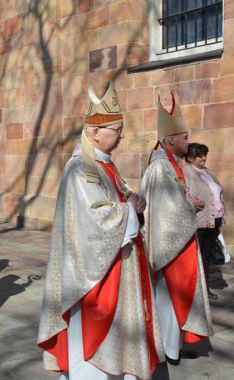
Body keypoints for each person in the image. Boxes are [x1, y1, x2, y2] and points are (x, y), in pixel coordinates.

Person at [37, 84, 163, 379]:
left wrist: (135, 201)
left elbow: (121, 200)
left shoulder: (105, 166)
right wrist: (131, 209)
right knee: (95, 339)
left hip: (120, 265)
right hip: (95, 274)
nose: (122, 136)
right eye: (117, 130)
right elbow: (94, 220)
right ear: (95, 133)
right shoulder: (80, 169)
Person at [141, 94, 213, 366]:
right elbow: (164, 210)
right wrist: (189, 205)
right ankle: (167, 351)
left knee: (175, 299)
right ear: (170, 140)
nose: (187, 141)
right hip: (168, 247)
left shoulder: (171, 165)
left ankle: (172, 347)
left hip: (178, 243)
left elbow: (171, 201)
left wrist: (186, 202)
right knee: (168, 300)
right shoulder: (161, 167)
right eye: (184, 137)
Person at [183, 143, 225, 300]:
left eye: (205, 154)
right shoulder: (185, 173)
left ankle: (204, 288)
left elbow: (217, 193)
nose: (204, 158)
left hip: (214, 219)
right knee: (200, 256)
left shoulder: (208, 172)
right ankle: (198, 290)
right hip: (200, 221)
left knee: (207, 256)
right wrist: (191, 200)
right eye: (199, 155)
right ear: (189, 157)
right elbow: (182, 193)